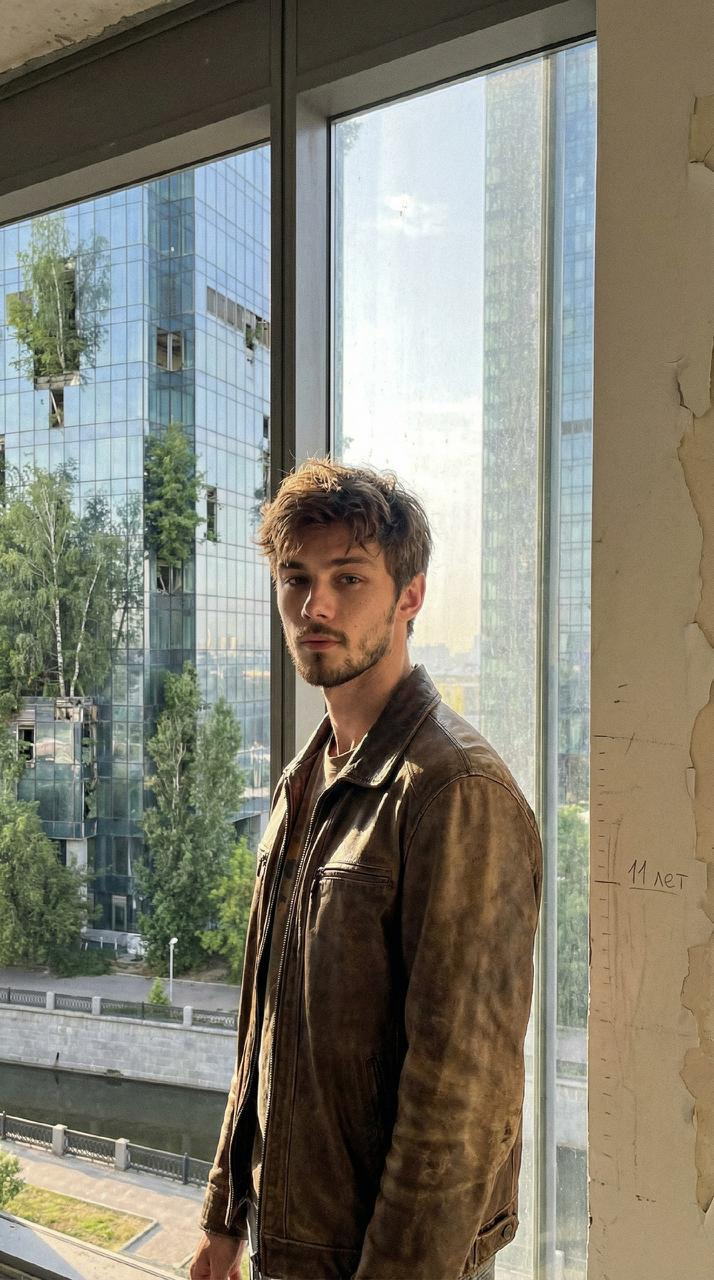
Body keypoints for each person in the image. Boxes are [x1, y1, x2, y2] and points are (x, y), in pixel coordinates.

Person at [189, 459, 542, 1280]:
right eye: (296, 578)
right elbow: (266, 1025)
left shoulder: (455, 790)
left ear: (409, 597)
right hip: (286, 1248)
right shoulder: (304, 779)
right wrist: (225, 1215)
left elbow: (461, 1102)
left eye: (348, 578)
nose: (316, 606)